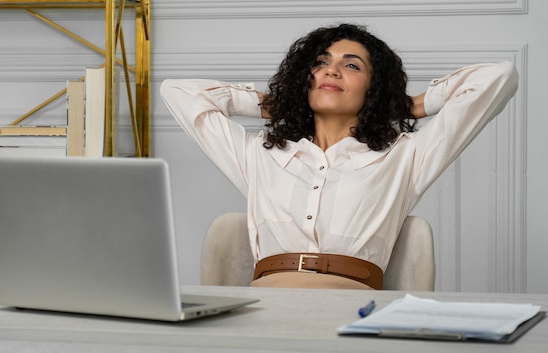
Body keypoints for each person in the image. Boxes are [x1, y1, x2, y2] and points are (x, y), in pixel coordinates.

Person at [160, 23, 518, 290]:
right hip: (263, 312)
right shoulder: (260, 156)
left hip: (352, 315)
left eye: (352, 66)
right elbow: (176, 92)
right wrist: (279, 102)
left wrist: (409, 105)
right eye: (320, 62)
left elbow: (499, 77)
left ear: (373, 89)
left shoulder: (405, 157)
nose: (331, 70)